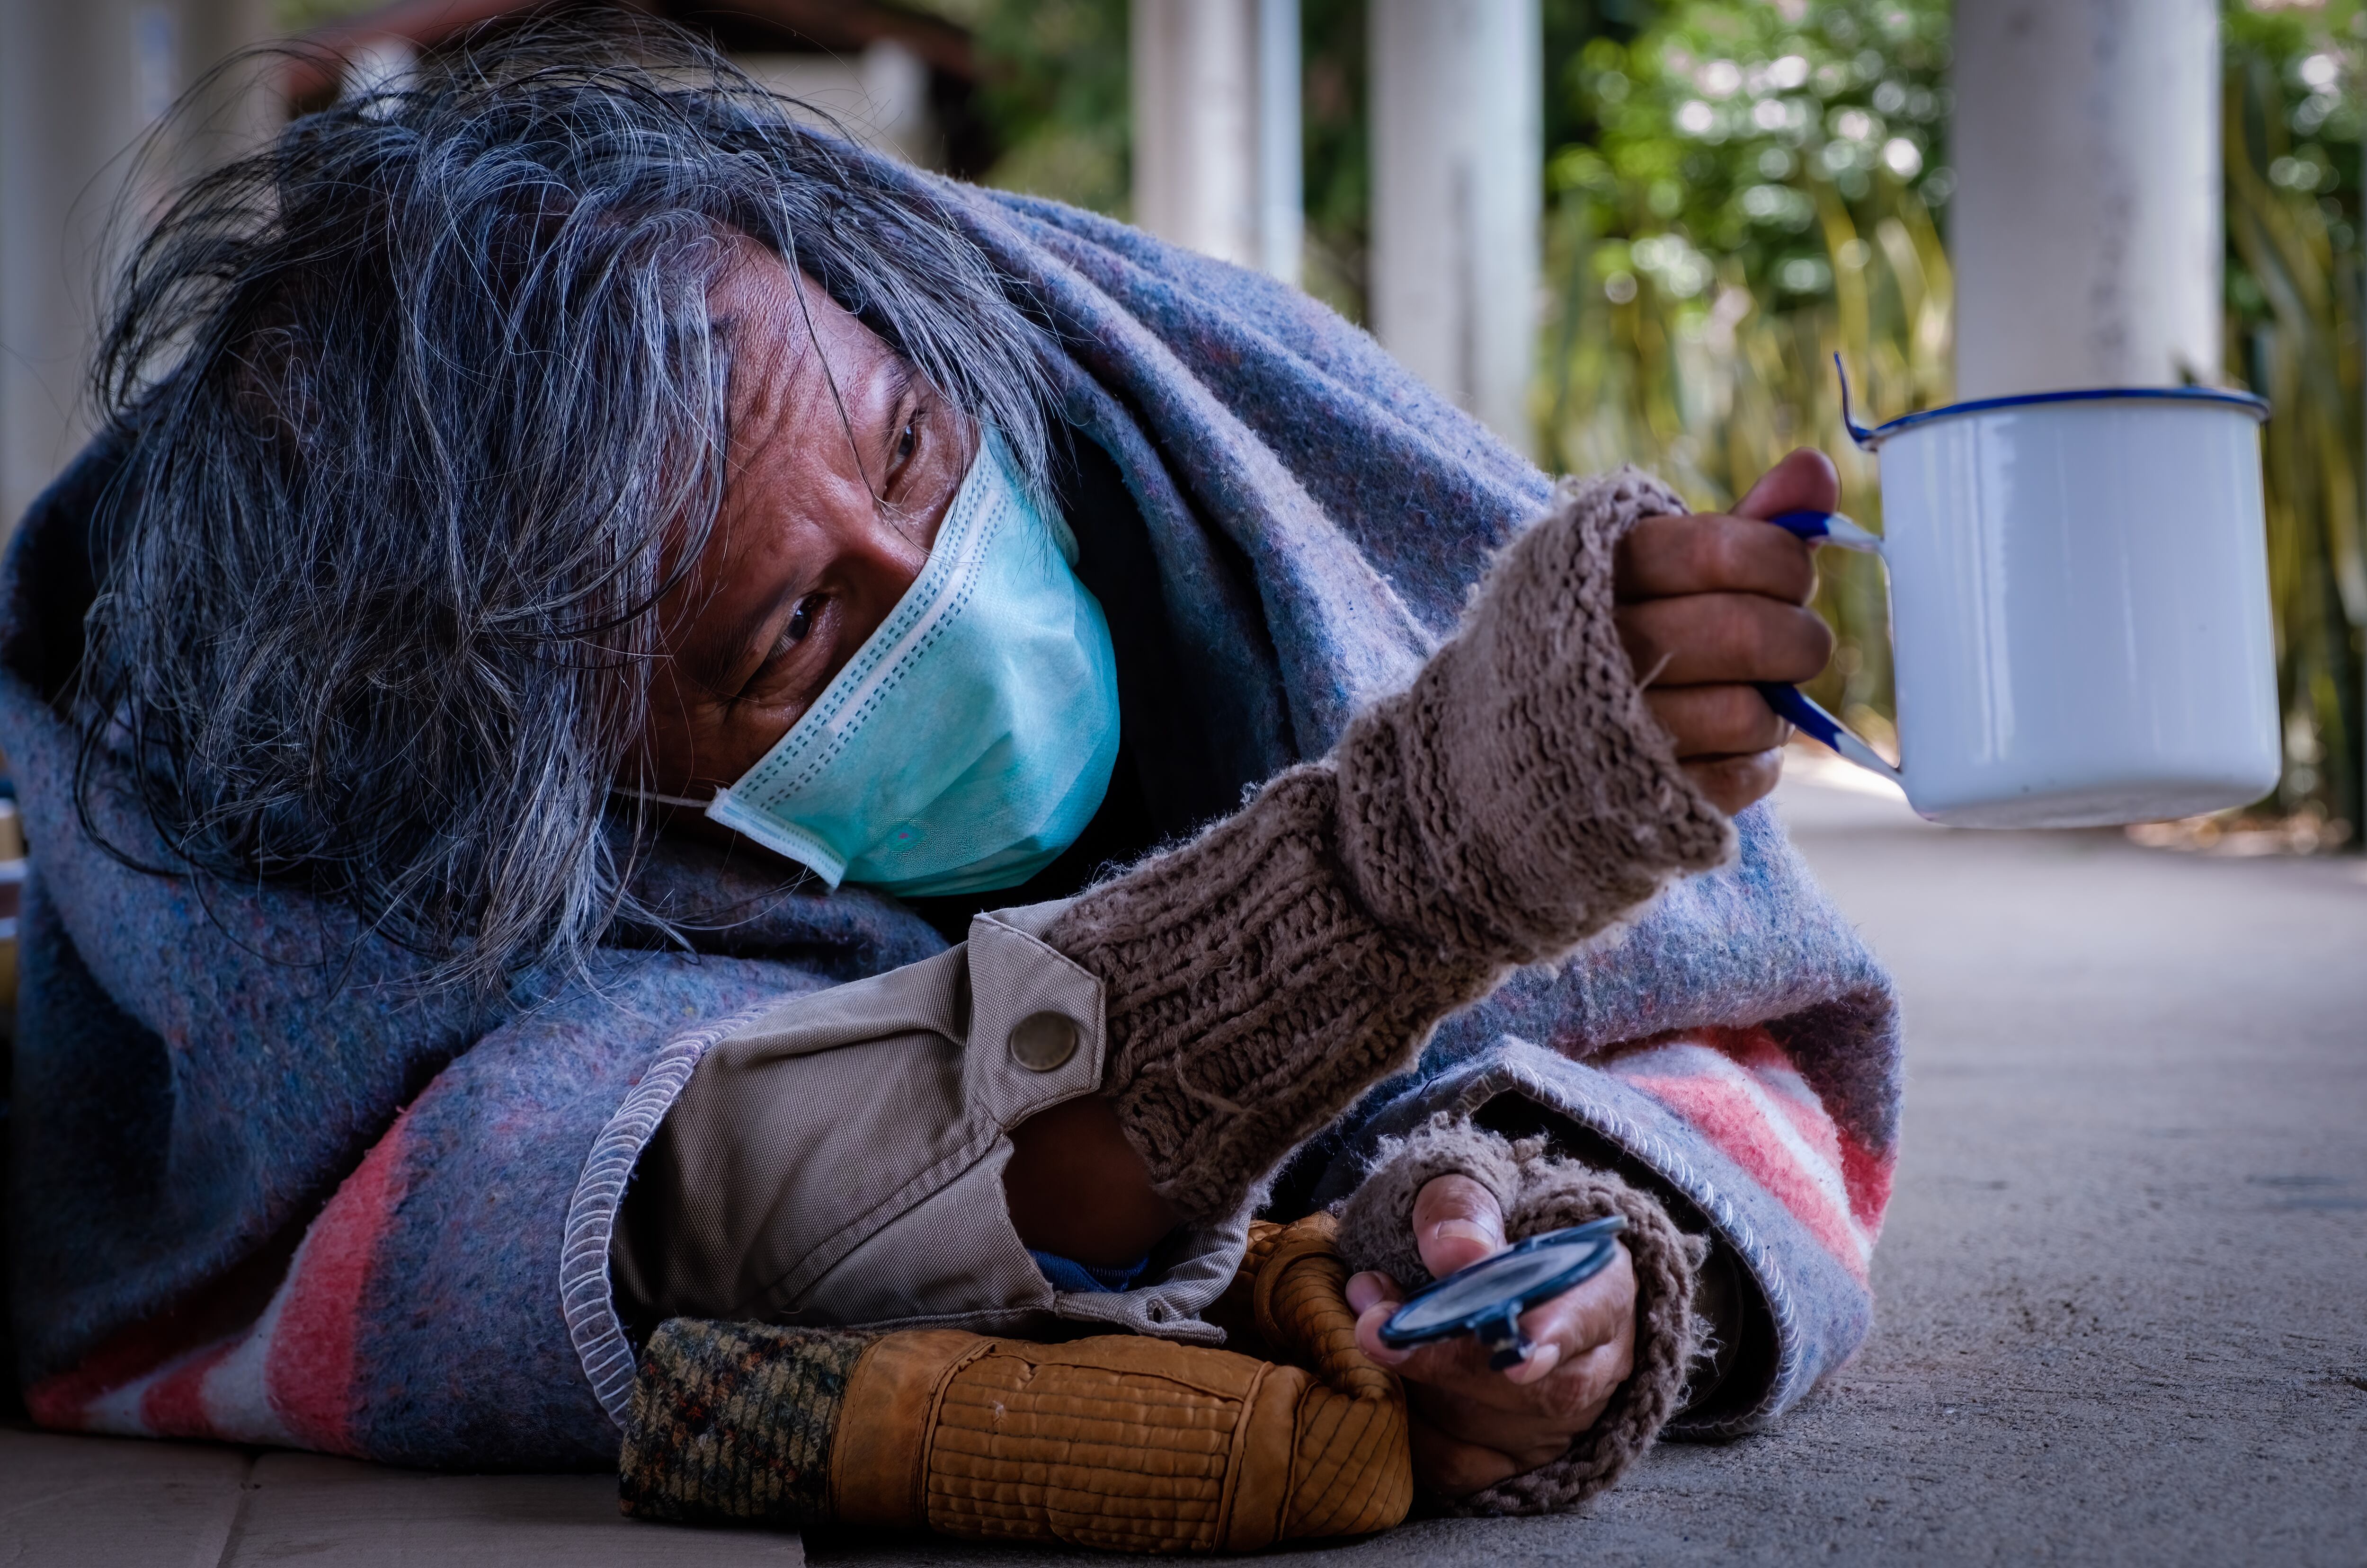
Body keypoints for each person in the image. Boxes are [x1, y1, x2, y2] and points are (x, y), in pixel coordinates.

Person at [0, 18, 1896, 1533]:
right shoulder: (363, 846)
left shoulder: (1146, 391)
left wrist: (1570, 1246)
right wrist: (1425, 851)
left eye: (912, 458)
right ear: (573, 805)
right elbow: (745, 1182)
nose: (946, 591)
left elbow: (1703, 1032)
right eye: (792, 637)